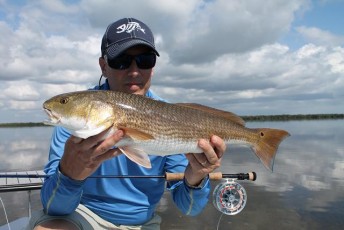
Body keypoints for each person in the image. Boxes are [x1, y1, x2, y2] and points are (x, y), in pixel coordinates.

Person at [27, 18, 226, 230]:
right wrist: (69, 174)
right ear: (104, 66)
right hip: (83, 217)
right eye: (121, 60)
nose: (134, 71)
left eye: (145, 60)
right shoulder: (72, 127)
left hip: (143, 224)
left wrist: (196, 176)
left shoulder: (174, 118)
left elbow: (189, 208)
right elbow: (54, 208)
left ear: (153, 67)